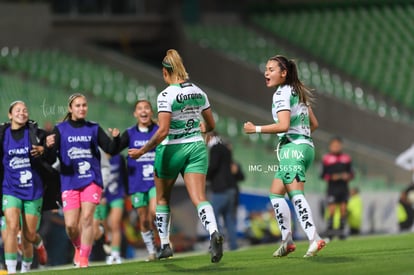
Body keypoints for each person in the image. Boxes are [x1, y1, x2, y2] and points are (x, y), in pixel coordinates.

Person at [129, 49, 224, 263]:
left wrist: (143, 150)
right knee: (199, 197)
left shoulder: (166, 95)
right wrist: (201, 127)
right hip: (196, 147)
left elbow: (162, 131)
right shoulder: (199, 92)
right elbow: (211, 125)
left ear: (165, 72)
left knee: (162, 197)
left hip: (172, 148)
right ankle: (214, 232)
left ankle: (164, 245)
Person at [243, 55, 325, 258]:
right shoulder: (298, 91)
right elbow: (314, 124)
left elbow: (283, 126)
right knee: (276, 193)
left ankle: (314, 237)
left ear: (283, 73)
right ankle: (287, 241)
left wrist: (256, 129)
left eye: (271, 69)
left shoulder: (282, 94)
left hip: (293, 149)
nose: (266, 73)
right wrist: (301, 138)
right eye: (266, 69)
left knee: (296, 194)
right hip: (305, 147)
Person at [45, 93, 120, 268]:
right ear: (70, 109)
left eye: (84, 105)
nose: (81, 108)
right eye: (77, 106)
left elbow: (109, 148)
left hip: (91, 180)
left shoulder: (93, 128)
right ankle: (79, 247)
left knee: (87, 219)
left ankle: (84, 259)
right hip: (69, 182)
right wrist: (48, 147)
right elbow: (50, 159)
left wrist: (115, 139)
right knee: (71, 226)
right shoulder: (60, 129)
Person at [0, 101, 49, 274]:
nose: (22, 112)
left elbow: (52, 152)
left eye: (25, 110)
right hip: (10, 188)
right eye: (18, 110)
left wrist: (44, 149)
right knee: (11, 228)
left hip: (33, 190)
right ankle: (12, 270)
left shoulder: (36, 133)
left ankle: (34, 252)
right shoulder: (2, 134)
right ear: (10, 115)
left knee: (28, 236)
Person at [117, 100, 158, 262]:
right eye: (140, 108)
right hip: (137, 183)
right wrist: (114, 139)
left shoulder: (158, 131)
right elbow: (114, 149)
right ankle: (151, 251)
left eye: (146, 108)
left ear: (151, 112)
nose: (143, 111)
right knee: (144, 219)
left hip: (155, 181)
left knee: (155, 211)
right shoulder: (129, 133)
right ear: (135, 113)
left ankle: (165, 242)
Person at [206, 131, 239, 250]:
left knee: (212, 218)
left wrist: (205, 176)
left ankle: (217, 245)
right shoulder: (226, 148)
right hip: (231, 188)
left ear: (209, 137)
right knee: (229, 219)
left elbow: (214, 166)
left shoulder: (215, 149)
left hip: (220, 189)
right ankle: (234, 246)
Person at [321, 136, 354, 239]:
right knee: (332, 209)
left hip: (343, 188)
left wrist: (348, 176)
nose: (336, 147)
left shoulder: (346, 158)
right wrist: (332, 177)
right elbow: (323, 175)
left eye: (338, 145)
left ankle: (341, 230)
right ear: (330, 146)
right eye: (334, 146)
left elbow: (352, 174)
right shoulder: (326, 159)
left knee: (343, 209)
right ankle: (330, 230)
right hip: (332, 188)